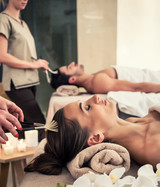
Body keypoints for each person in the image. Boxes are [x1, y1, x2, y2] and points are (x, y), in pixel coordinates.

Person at [24, 95, 160, 175]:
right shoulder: (152, 148)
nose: (95, 97)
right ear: (96, 138)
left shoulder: (132, 122)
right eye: (87, 108)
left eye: (85, 103)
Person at [0, 0, 49, 141]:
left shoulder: (23, 23)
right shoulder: (3, 19)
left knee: (24, 129)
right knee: (41, 126)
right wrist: (33, 65)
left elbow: (23, 53)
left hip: (29, 81)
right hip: (17, 83)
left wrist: (38, 64)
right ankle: (45, 162)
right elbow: (2, 55)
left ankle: (25, 162)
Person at [50, 62, 160, 94]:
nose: (73, 63)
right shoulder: (97, 82)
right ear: (73, 79)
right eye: (70, 67)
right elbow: (136, 88)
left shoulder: (92, 77)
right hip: (153, 81)